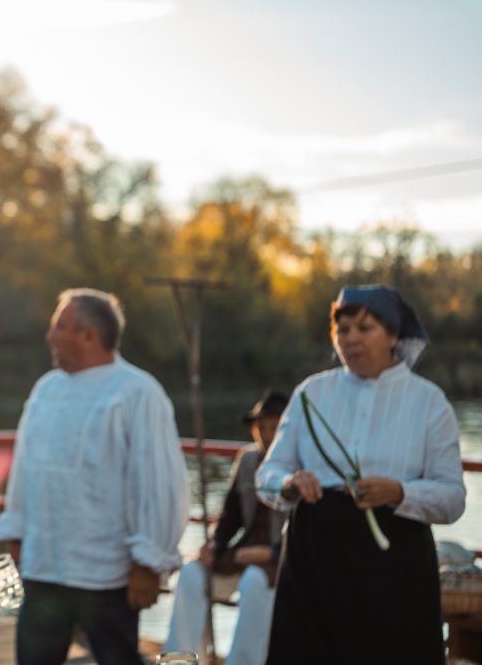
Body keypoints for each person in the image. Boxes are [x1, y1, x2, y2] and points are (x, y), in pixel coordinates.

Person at [256, 284, 466, 664]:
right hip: (313, 561)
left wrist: (400, 492)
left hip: (396, 565)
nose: (351, 338)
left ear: (393, 335)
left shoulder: (429, 402)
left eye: (364, 328)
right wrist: (289, 483)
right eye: (342, 329)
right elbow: (269, 471)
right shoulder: (311, 394)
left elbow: (452, 497)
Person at [0, 288, 189, 665]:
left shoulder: (137, 392)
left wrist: (148, 561)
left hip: (106, 576)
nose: (50, 336)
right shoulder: (47, 390)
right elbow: (25, 468)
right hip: (44, 568)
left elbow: (158, 480)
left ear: (88, 335)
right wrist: (16, 533)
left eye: (59, 326)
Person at [163, 390, 288, 665]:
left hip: (280, 562)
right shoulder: (247, 460)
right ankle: (181, 659)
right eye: (261, 427)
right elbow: (230, 517)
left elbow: (307, 531)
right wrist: (214, 545)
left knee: (255, 582)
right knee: (191, 574)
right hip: (242, 555)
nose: (266, 435)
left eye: (274, 427)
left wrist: (272, 553)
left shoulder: (299, 465)